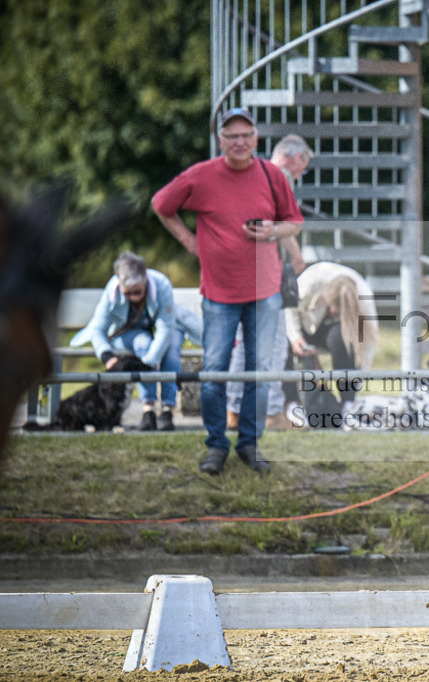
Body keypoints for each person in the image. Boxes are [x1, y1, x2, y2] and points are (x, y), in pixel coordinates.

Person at [152, 106, 303, 475]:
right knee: (215, 372)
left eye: (245, 135)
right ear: (220, 139)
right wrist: (188, 240)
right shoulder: (201, 176)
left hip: (265, 292)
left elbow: (294, 222)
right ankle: (216, 445)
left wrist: (272, 231)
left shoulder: (271, 175)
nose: (239, 142)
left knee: (259, 372)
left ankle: (249, 444)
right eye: (231, 135)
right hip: (219, 295)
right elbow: (161, 204)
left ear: (256, 139)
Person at [226, 133, 313, 430]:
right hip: (264, 272)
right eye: (304, 166)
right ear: (296, 157)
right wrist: (298, 257)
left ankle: (235, 410)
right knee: (275, 345)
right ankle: (273, 411)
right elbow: (282, 225)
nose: (301, 174)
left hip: (240, 271)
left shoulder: (253, 173)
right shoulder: (281, 176)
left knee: (244, 344)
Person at [69, 251, 195, 431]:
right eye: (128, 293)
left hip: (165, 327)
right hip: (129, 334)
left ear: (145, 279)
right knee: (143, 344)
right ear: (119, 284)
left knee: (171, 350)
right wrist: (106, 355)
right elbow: (98, 329)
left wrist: (148, 363)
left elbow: (166, 328)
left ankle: (167, 410)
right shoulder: (111, 289)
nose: (133, 297)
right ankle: (148, 410)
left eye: (138, 292)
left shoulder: (161, 284)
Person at [284, 261, 378, 418]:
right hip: (305, 321)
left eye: (339, 311)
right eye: (334, 308)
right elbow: (290, 309)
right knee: (283, 342)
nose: (334, 312)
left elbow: (368, 345)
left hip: (335, 330)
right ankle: (292, 404)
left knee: (342, 340)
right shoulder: (310, 282)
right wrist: (296, 338)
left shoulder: (364, 298)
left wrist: (358, 378)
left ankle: (348, 403)